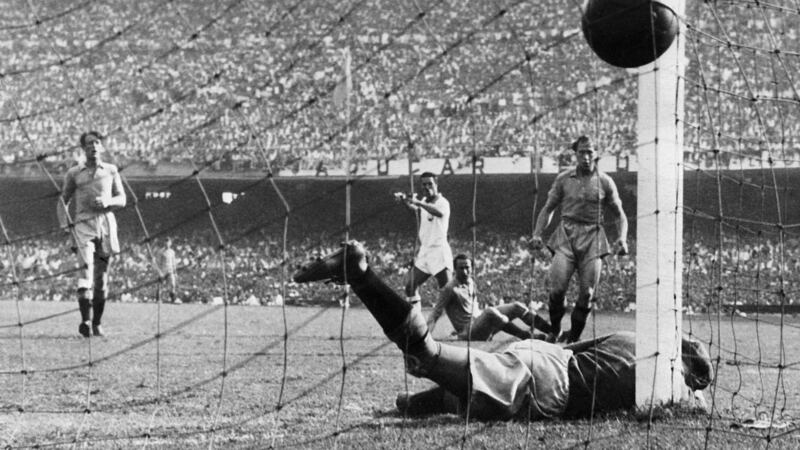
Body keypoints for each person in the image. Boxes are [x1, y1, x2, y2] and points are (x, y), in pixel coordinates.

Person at [292, 241, 712, 420]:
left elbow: (576, 347)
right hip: (553, 384)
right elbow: (690, 400)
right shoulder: (667, 384)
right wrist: (695, 395)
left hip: (545, 359)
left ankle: (416, 403)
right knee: (427, 354)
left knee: (469, 385)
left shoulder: (634, 339)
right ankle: (361, 274)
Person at [530, 135, 629, 343]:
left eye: (590, 152)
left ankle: (574, 339)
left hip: (593, 237)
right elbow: (548, 209)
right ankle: (555, 329)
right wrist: (537, 234)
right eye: (581, 152)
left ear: (596, 154)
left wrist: (622, 238)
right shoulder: (564, 179)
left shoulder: (605, 181)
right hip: (566, 235)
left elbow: (619, 214)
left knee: (587, 294)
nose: (586, 156)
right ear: (575, 154)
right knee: (557, 290)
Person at [57, 131, 126, 337]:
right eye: (89, 143)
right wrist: (65, 227)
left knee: (102, 279)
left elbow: (122, 198)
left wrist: (108, 202)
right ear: (83, 148)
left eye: (97, 143)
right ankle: (85, 321)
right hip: (83, 227)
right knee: (86, 273)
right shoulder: (74, 173)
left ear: (102, 147)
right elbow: (63, 201)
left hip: (105, 227)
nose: (93, 146)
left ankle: (97, 323)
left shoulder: (111, 170)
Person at [429, 254, 552, 341]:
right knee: (491, 312)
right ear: (455, 269)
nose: (465, 271)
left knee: (516, 307)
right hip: (469, 331)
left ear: (472, 268)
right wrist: (426, 336)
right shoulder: (450, 288)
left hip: (481, 322)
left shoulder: (471, 282)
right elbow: (436, 312)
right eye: (461, 268)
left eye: (467, 267)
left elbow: (474, 308)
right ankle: (527, 337)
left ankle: (552, 332)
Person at [395, 171, 453, 311]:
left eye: (430, 184)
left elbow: (437, 212)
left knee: (449, 293)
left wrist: (418, 202)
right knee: (410, 286)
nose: (427, 187)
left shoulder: (443, 202)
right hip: (425, 251)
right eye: (424, 184)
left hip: (438, 251)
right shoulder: (425, 203)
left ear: (436, 184)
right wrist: (405, 201)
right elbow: (417, 211)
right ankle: (417, 321)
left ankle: (465, 324)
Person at [161, 237, 180, 303]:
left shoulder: (172, 252)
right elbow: (159, 262)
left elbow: (173, 262)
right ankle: (159, 299)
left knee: (173, 284)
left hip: (170, 270)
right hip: (163, 271)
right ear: (164, 243)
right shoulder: (161, 251)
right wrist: (159, 272)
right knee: (162, 285)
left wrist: (175, 272)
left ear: (170, 243)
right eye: (165, 242)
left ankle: (173, 299)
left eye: (168, 242)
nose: (167, 243)